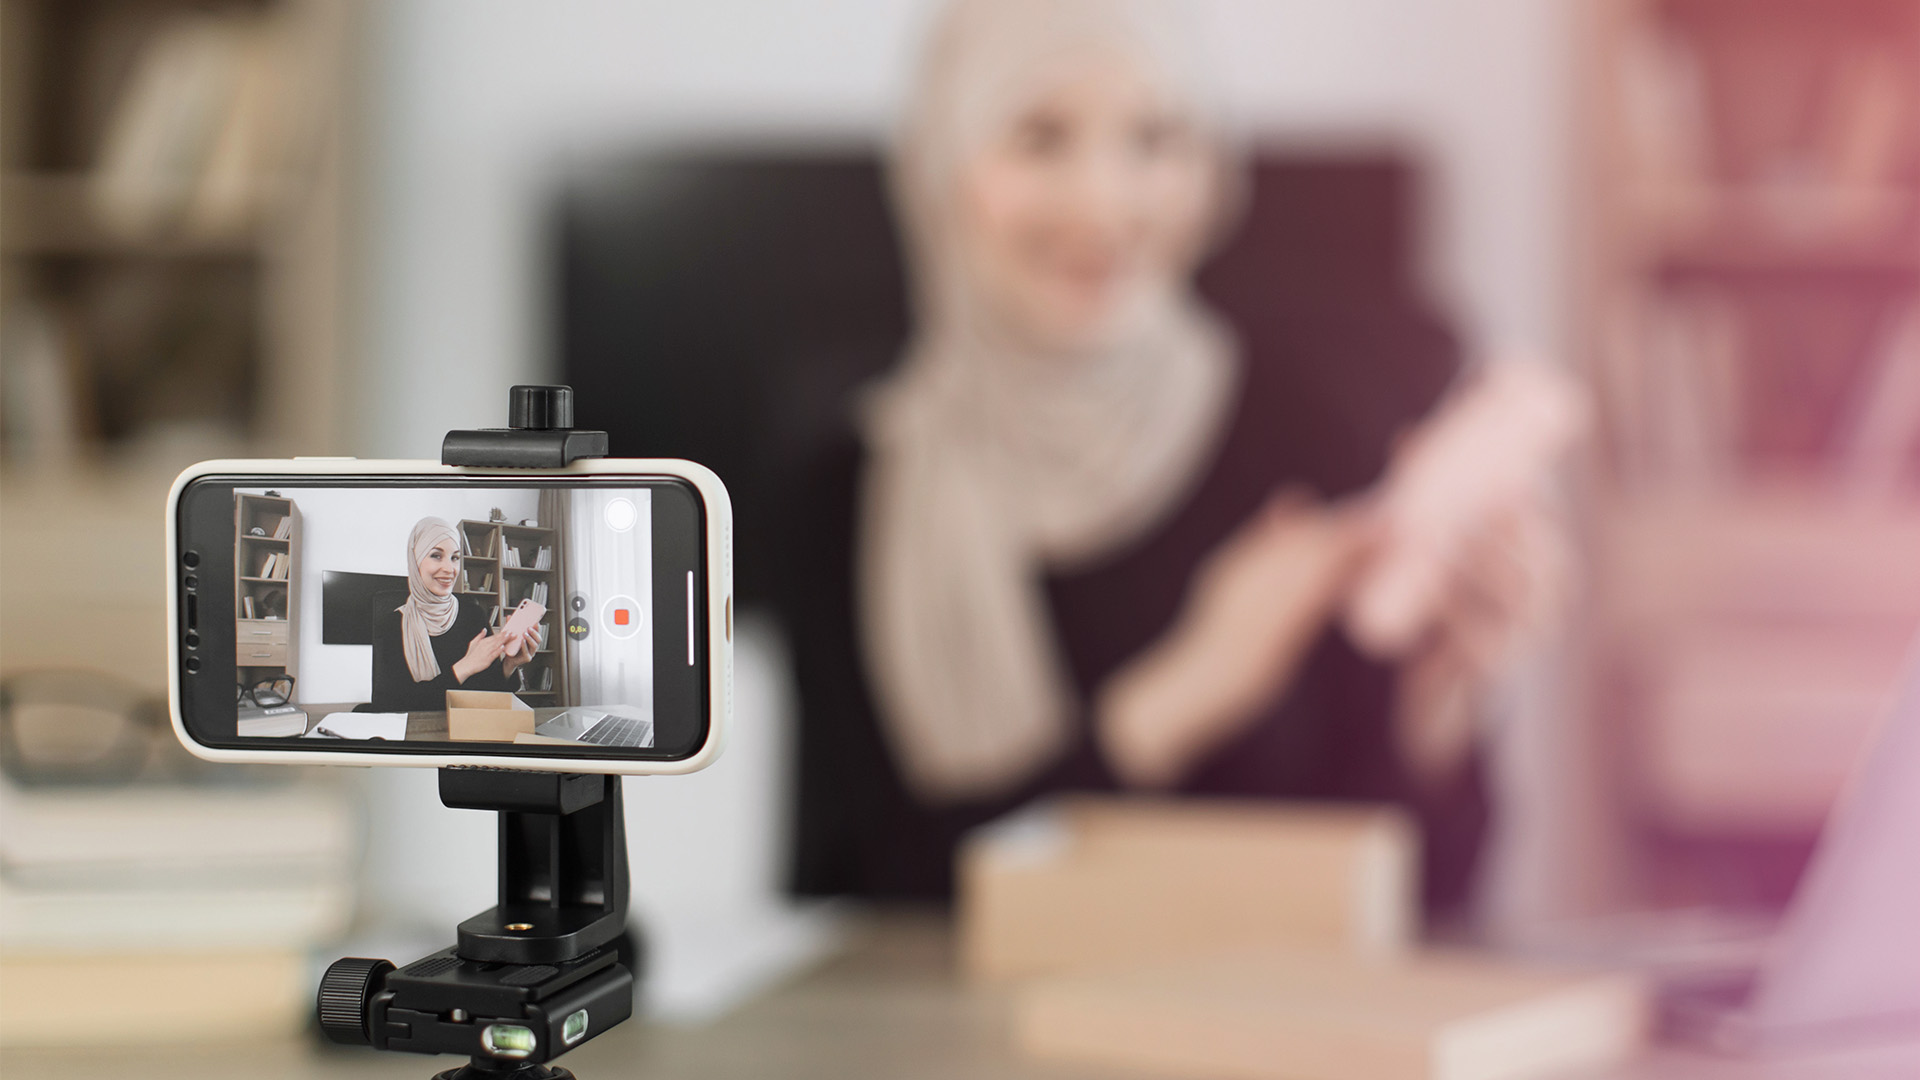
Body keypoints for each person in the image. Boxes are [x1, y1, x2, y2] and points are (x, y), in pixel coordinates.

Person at [781, 0, 1565, 912]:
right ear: (939, 169)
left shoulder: (1314, 430)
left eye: (1155, 139)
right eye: (1040, 138)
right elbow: (854, 903)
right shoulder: (843, 493)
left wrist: (1443, 700)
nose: (1103, 202)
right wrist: (1181, 696)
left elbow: (1429, 893)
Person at [370, 517, 541, 713]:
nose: (449, 569)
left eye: (455, 558)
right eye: (436, 555)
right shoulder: (392, 625)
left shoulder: (474, 615)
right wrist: (465, 667)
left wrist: (509, 664)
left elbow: (491, 693)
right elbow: (392, 705)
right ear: (415, 561)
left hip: (470, 729)